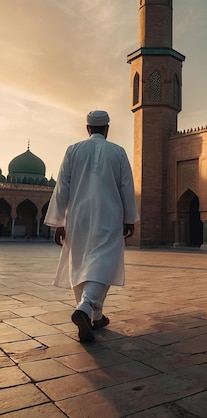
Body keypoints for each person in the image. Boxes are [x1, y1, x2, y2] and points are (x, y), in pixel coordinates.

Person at [44, 110, 139, 342]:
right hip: (109, 216)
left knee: (81, 262)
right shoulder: (117, 152)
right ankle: (86, 308)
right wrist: (129, 218)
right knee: (103, 263)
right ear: (107, 128)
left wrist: (59, 222)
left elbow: (62, 187)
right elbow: (127, 186)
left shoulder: (73, 150)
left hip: (78, 216)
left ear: (87, 129)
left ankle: (96, 316)